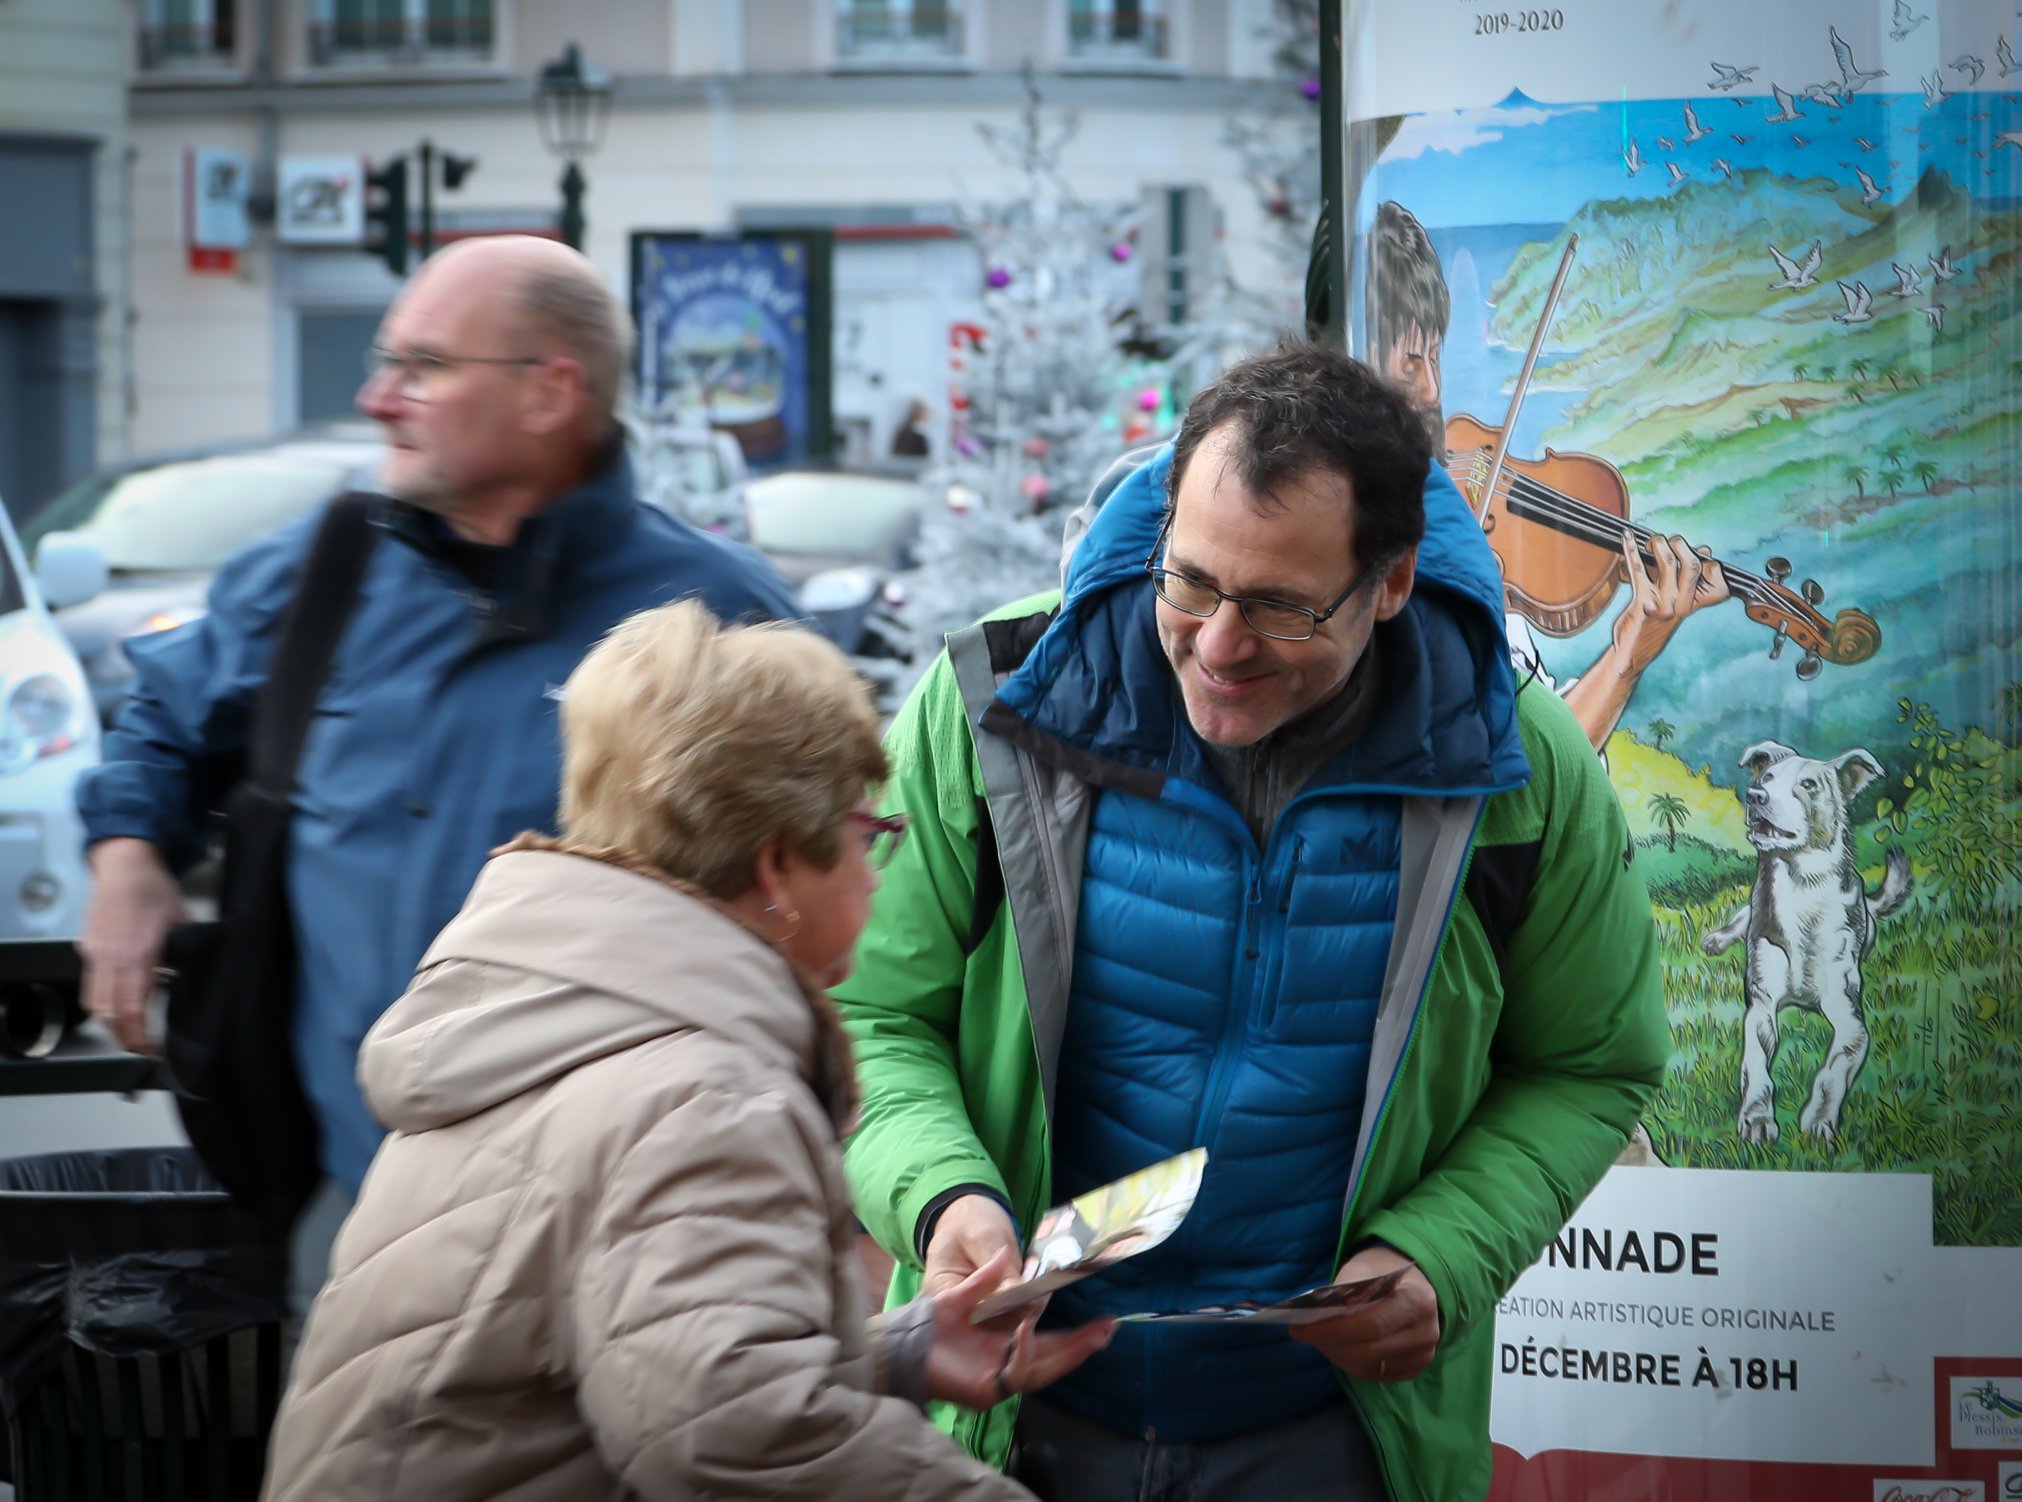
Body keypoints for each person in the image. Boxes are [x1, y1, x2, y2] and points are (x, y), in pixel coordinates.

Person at [837, 342, 1670, 1502]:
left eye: (1281, 604)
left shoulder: (1522, 767)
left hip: (1331, 1437)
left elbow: (1592, 1062)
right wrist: (942, 1194)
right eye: (1188, 581)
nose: (1219, 645)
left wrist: (1444, 1248)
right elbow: (867, 1009)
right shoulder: (991, 709)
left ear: (1390, 582)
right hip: (1008, 1421)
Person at [262, 600, 1113, 1500]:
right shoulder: (705, 1098)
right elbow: (734, 1434)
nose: (876, 874)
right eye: (870, 837)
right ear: (778, 869)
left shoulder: (559, 1018)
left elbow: (621, 1357)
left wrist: (891, 1352)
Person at [74, 236, 800, 1216]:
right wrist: (129, 861)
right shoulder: (322, 573)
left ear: (549, 393)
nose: (379, 398)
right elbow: (166, 714)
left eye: (424, 367)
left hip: (619, 1222)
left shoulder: (715, 616)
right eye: (388, 360)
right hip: (351, 1205)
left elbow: (821, 891)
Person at [1365, 199, 1729, 751]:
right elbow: (1528, 772)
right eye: (1412, 364)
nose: (1435, 392)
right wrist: (1631, 654)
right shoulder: (1400, 571)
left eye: (1437, 360)